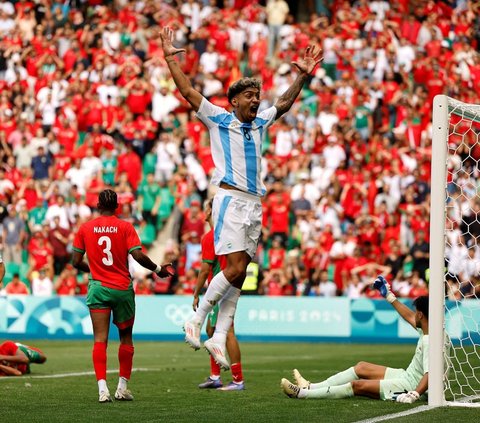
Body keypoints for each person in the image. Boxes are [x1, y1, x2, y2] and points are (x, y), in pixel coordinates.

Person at [160, 26, 322, 370]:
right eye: (250, 96)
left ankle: (218, 337)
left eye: (257, 95)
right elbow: (187, 90)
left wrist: (302, 78)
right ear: (234, 101)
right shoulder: (218, 118)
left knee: (241, 272)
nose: (256, 100)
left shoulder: (260, 122)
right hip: (231, 200)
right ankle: (196, 320)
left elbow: (284, 103)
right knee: (233, 267)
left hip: (255, 204)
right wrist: (170, 58)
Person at [72, 189, 175, 403]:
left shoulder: (85, 228)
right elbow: (137, 255)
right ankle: (122, 388)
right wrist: (158, 269)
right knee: (126, 338)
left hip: (98, 288)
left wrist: (92, 270)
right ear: (117, 206)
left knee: (100, 339)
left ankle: (102, 390)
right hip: (121, 289)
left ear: (98, 205)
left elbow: (75, 261)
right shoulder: (125, 227)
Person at [281, 276, 429, 404]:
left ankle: (302, 394)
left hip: (412, 384)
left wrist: (415, 393)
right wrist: (389, 296)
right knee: (361, 367)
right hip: (408, 375)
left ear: (421, 315)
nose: (413, 315)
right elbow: (409, 316)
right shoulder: (429, 328)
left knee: (357, 386)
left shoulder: (429, 340)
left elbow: (431, 374)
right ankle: (310, 386)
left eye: (416, 313)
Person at [193, 199, 244, 391]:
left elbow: (205, 269)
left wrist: (196, 292)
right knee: (211, 330)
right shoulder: (229, 234)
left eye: (205, 208)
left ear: (211, 212)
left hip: (220, 289)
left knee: (227, 332)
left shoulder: (210, 237)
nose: (203, 212)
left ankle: (238, 379)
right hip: (228, 286)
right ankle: (215, 376)